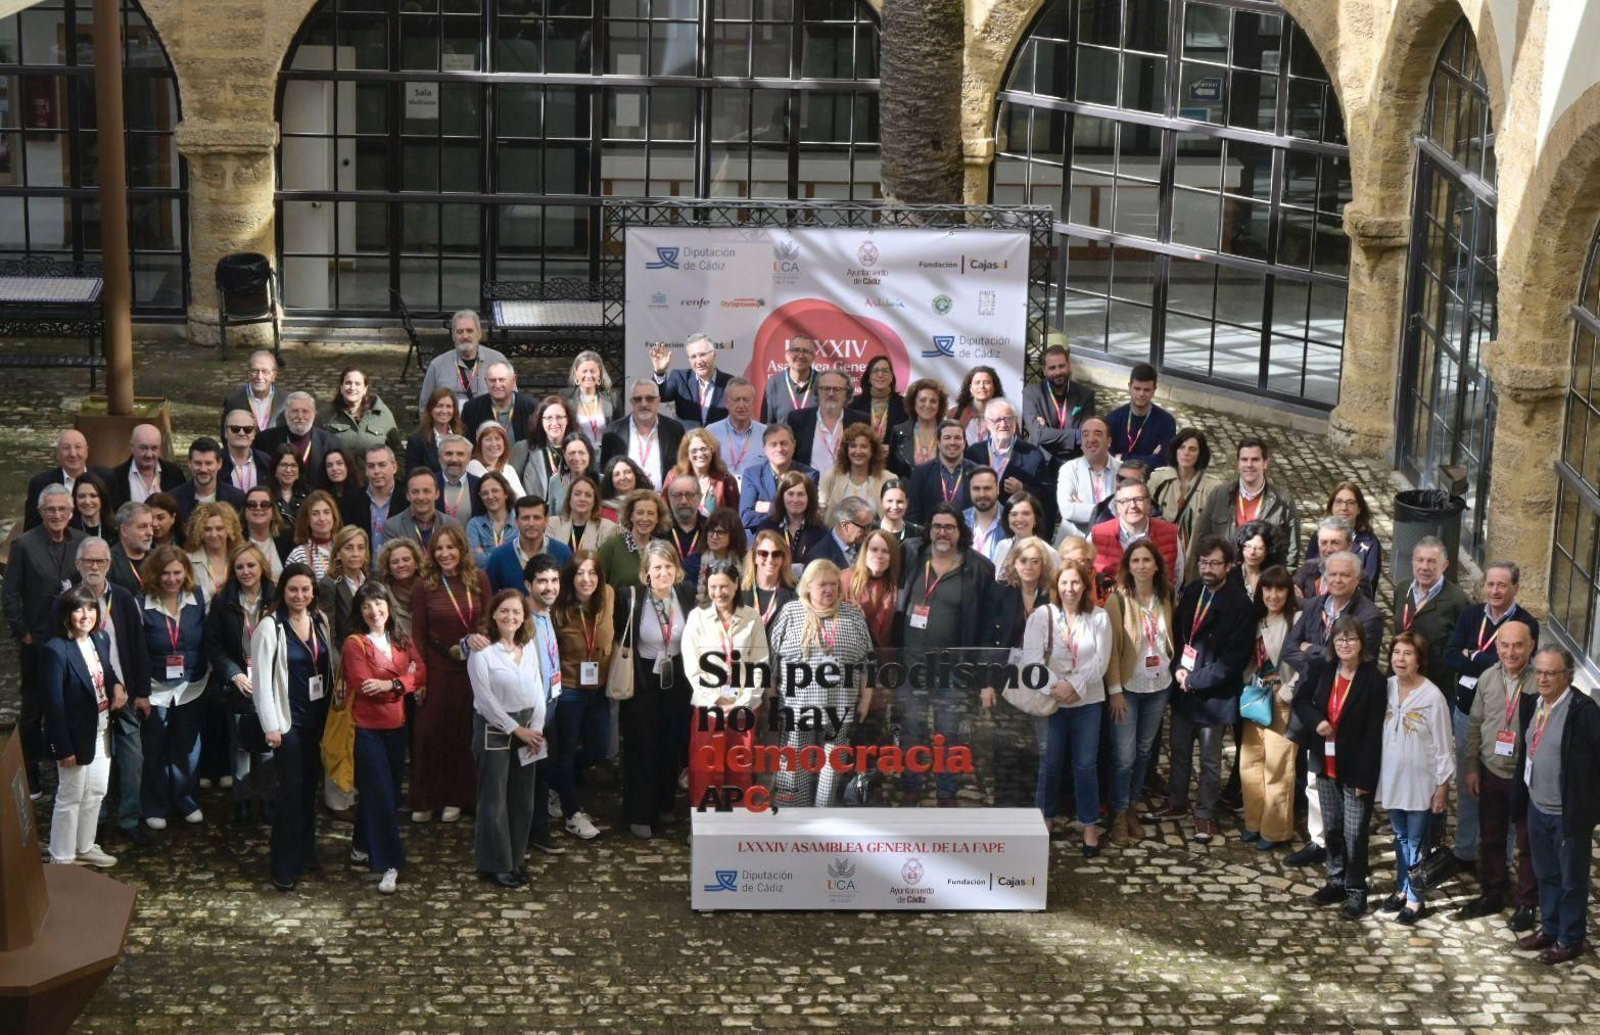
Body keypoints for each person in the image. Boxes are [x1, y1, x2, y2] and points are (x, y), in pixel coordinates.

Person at [1281, 549, 1386, 865]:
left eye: (1345, 575)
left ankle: (1348, 860)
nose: (1337, 580)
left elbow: (1359, 659)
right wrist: (1324, 654)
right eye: (1332, 574)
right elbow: (1288, 650)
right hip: (1314, 707)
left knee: (1344, 784)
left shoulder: (1369, 616)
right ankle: (1319, 840)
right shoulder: (1313, 606)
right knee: (1316, 779)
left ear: (1357, 579)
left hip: (1348, 710)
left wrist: (1311, 652)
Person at [896, 503, 999, 805]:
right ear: (928, 530)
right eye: (937, 526)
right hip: (911, 666)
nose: (942, 532)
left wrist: (983, 672)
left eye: (949, 527)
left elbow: (986, 625)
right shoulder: (912, 556)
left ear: (960, 531)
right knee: (912, 731)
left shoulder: (978, 567)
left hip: (952, 669)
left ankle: (946, 792)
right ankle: (913, 786)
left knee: (949, 734)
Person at [1442, 561, 1541, 874]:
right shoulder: (1472, 615)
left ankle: (1502, 856)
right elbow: (1450, 656)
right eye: (1490, 585)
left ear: (1515, 589)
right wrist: (1484, 659)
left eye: (1502, 585)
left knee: (1506, 790)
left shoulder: (1527, 623)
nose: (1495, 591)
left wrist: (1474, 656)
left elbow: (1515, 665)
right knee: (1469, 782)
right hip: (1467, 709)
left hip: (1505, 717)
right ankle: (1465, 850)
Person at [1156, 535, 1253, 843]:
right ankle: (1177, 802)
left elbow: (1234, 660)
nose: (1208, 568)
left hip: (1214, 695)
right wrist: (1178, 671)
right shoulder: (1195, 590)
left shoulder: (1240, 605)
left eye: (1214, 563)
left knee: (1210, 761)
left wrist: (1193, 679)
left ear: (1229, 566)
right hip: (1184, 690)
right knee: (1179, 752)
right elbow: (1178, 635)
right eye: (1203, 562)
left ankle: (1205, 813)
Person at [1293, 615, 1387, 920]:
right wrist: (1317, 722)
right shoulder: (1322, 668)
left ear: (1362, 644)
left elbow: (1374, 734)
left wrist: (1366, 778)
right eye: (1340, 639)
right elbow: (1301, 700)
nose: (1345, 644)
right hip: (1325, 763)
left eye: (1352, 639)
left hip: (1356, 767)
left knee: (1355, 834)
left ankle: (1356, 889)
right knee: (1332, 828)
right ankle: (1335, 880)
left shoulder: (1373, 680)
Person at [1511, 647, 1600, 965]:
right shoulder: (1534, 703)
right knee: (1545, 873)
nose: (1544, 678)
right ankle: (1549, 928)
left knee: (1570, 879)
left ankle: (1570, 937)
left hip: (1567, 814)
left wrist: (1589, 809)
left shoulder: (1583, 711)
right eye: (1539, 672)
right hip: (1537, 806)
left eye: (1551, 673)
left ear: (1567, 676)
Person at [252, 562, 337, 891]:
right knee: (290, 791)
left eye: (305, 589)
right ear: (282, 591)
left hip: (317, 719)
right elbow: (261, 682)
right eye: (293, 590)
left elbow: (326, 664)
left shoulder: (320, 621)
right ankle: (283, 864)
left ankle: (306, 850)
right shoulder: (270, 627)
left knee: (308, 788)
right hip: (287, 723)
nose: (299, 596)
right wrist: (271, 726)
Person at [767, 560, 873, 808]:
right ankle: (797, 820)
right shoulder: (790, 612)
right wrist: (771, 701)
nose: (829, 590)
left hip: (840, 707)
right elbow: (770, 662)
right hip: (797, 708)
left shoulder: (853, 615)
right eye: (822, 584)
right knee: (795, 765)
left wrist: (866, 699)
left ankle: (822, 818)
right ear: (808, 586)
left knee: (831, 767)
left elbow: (869, 664)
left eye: (834, 585)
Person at [1023, 557, 1111, 854]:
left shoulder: (1099, 617)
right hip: (1051, 703)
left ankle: (1088, 826)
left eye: (1076, 582)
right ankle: (1044, 820)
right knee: (1049, 764)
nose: (1070, 588)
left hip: (1088, 703)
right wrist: (1055, 687)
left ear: (1086, 585)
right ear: (1056, 586)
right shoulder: (1041, 617)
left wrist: (1074, 685)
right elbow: (1031, 660)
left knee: (1085, 765)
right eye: (1064, 583)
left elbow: (1100, 660)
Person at [4, 484, 88, 793]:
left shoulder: (82, 542)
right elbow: (10, 594)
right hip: (36, 641)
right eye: (50, 510)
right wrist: (23, 632)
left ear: (71, 512)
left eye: (62, 509)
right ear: (40, 513)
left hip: (74, 638)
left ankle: (68, 766)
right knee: (33, 710)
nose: (56, 515)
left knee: (71, 703)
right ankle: (31, 772)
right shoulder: (24, 544)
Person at [1456, 619, 1540, 927]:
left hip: (1526, 777)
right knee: (1490, 836)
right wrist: (1471, 768)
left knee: (1527, 842)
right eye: (1504, 645)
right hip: (1491, 770)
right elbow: (1475, 724)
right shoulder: (1489, 677)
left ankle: (1527, 902)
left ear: (1531, 646)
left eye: (1518, 645)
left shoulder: (1540, 682)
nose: (1511, 651)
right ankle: (1493, 891)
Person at [342, 582, 424, 895]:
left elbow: (422, 673)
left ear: (388, 605)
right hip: (367, 729)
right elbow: (364, 685)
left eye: (378, 604)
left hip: (397, 726)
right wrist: (405, 681)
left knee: (383, 790)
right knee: (383, 796)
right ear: (359, 612)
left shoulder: (401, 638)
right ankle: (389, 861)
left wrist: (392, 685)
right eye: (366, 606)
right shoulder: (355, 644)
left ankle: (360, 844)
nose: (374, 611)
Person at [68, 537, 149, 846]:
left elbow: (138, 646)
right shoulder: (67, 600)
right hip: (87, 696)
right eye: (88, 561)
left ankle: (129, 819)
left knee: (133, 758)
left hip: (125, 692)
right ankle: (96, 821)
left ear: (109, 564)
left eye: (100, 561)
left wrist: (141, 692)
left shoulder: (124, 597)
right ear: (78, 564)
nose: (94, 567)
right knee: (94, 762)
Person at [467, 588, 549, 887]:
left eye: (516, 612)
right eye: (504, 611)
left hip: (529, 728)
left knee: (522, 800)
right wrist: (517, 730)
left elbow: (539, 688)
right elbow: (486, 701)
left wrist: (536, 727)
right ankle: (496, 863)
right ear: (493, 614)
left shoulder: (527, 648)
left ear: (524, 617)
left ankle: (515, 859)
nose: (510, 617)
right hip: (495, 730)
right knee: (494, 800)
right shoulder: (482, 653)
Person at [615, 540, 697, 837]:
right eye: (657, 567)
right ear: (646, 572)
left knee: (671, 744)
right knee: (642, 745)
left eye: (668, 566)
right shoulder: (631, 597)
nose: (663, 573)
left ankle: (664, 806)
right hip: (643, 678)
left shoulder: (686, 594)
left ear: (677, 569)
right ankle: (639, 812)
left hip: (677, 677)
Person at [410, 524, 491, 824]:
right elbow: (418, 634)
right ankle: (426, 797)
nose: (445, 554)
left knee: (462, 733)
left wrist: (476, 640)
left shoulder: (478, 578)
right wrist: (419, 677)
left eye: (450, 547)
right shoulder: (424, 584)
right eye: (439, 548)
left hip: (471, 670)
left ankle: (457, 797)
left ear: (461, 549)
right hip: (436, 666)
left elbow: (487, 622)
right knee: (429, 734)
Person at [41, 585, 125, 867]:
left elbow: (108, 672)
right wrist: (62, 747)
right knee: (71, 795)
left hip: (101, 728)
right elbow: (52, 705)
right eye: (78, 609)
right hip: (74, 735)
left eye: (90, 608)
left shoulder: (99, 639)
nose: (85, 615)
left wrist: (117, 686)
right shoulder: (56, 650)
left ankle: (84, 846)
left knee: (97, 790)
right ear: (66, 615)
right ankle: (61, 857)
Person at [1104, 539, 1178, 845]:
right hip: (1128, 689)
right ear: (1128, 566)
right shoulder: (1118, 600)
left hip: (1158, 685)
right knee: (1124, 756)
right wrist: (1115, 690)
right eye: (1135, 561)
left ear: (1157, 565)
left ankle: (1132, 805)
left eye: (1147, 560)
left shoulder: (1167, 596)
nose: (1142, 566)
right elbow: (1110, 651)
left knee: (1145, 752)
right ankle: (1119, 812)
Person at [1378, 632, 1455, 924]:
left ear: (1419, 659)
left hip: (1421, 782)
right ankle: (1401, 887)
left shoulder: (1432, 697)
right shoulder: (1385, 688)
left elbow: (1444, 746)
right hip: (1393, 778)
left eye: (1408, 653)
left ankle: (1415, 897)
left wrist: (1442, 786)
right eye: (1397, 652)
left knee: (1415, 840)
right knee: (1400, 837)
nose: (1401, 659)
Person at [683, 558, 771, 807]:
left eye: (724, 586)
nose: (718, 593)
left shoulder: (752, 618)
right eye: (713, 587)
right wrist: (717, 699)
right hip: (708, 707)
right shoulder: (697, 618)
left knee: (739, 768)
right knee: (705, 768)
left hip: (742, 707)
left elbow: (760, 662)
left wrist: (743, 700)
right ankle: (704, 826)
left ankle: (736, 825)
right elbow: (692, 667)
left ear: (735, 585)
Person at [136, 543, 209, 829]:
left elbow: (206, 639)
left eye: (177, 572)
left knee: (188, 747)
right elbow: (137, 649)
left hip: (191, 685)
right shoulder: (141, 602)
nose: (172, 579)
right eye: (165, 573)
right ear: (155, 574)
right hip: (155, 687)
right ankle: (155, 804)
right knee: (154, 747)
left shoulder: (197, 598)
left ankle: (185, 798)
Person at [202, 542, 275, 821]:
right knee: (241, 745)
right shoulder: (224, 601)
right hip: (239, 683)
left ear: (262, 567)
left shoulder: (276, 597)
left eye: (251, 565)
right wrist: (234, 674)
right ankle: (242, 800)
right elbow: (214, 643)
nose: (246, 571)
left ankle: (268, 799)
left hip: (269, 680)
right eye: (240, 567)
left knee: (269, 742)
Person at [1233, 564, 1299, 852]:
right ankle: (1253, 822)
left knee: (1278, 767)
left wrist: (1288, 691)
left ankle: (1276, 829)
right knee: (1250, 763)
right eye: (1268, 589)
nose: (1273, 595)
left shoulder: (1297, 620)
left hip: (1282, 700)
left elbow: (1307, 665)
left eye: (1280, 589)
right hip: (1256, 697)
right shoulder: (1256, 620)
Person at [550, 551, 615, 838]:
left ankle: (555, 780)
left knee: (599, 749)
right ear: (570, 577)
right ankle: (572, 813)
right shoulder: (558, 607)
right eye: (579, 573)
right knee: (564, 751)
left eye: (592, 573)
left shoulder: (609, 597)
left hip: (599, 687)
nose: (586, 579)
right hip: (569, 689)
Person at [988, 535, 1053, 808]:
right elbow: (988, 638)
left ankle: (1037, 804)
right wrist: (987, 683)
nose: (1028, 566)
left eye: (1034, 561)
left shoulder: (1052, 596)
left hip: (1041, 680)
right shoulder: (1001, 592)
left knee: (1041, 748)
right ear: (1014, 564)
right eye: (1023, 561)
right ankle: (1005, 803)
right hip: (1007, 678)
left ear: (1042, 565)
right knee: (1005, 743)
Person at [1189, 436, 1301, 570]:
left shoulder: (1283, 501)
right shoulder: (1218, 495)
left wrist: (1280, 582)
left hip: (1264, 580)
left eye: (1255, 459)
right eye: (1244, 459)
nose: (1249, 465)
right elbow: (1203, 540)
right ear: (1238, 463)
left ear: (1265, 463)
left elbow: (1292, 552)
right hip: (1225, 578)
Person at [1391, 536, 1471, 712]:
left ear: (1445, 565)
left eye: (1432, 561)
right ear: (1412, 562)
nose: (1424, 567)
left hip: (1436, 688)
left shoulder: (1457, 601)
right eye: (1420, 560)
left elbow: (1463, 649)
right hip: (1400, 681)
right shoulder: (1403, 589)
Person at [967, 399, 1051, 536]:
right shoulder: (974, 453)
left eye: (1008, 419)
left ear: (1015, 421)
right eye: (997, 420)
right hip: (979, 526)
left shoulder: (1032, 454)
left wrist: (1023, 489)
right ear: (987, 424)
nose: (1003, 424)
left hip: (1015, 529)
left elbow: (1047, 495)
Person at [1091, 480, 1183, 585]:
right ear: (1117, 507)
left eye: (1138, 499)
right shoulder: (1097, 535)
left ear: (1148, 503)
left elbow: (1178, 576)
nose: (1132, 505)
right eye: (1125, 501)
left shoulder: (1170, 532)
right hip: (1110, 600)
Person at [416, 309, 508, 413]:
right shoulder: (437, 365)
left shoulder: (498, 361)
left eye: (469, 331)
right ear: (453, 336)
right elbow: (425, 406)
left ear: (479, 334)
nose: (464, 336)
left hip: (487, 426)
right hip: (450, 427)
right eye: (460, 332)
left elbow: (512, 401)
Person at [601, 379, 685, 491]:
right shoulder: (613, 431)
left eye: (650, 398)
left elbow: (682, 468)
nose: (644, 403)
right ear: (631, 401)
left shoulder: (674, 430)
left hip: (663, 502)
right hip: (625, 502)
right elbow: (606, 472)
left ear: (658, 400)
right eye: (638, 399)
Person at [25, 428, 113, 530]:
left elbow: (115, 517)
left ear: (86, 451)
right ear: (57, 454)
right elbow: (31, 528)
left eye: (78, 447)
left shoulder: (106, 477)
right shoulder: (40, 483)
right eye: (66, 448)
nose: (73, 454)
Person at [1021, 343, 1095, 463]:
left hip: (1074, 461)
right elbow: (1038, 434)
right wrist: (1075, 435)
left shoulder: (1086, 395)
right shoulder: (1031, 394)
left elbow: (1085, 435)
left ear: (1069, 366)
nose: (1058, 372)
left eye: (1061, 366)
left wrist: (1048, 434)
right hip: (1042, 462)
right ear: (1044, 370)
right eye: (1052, 368)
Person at [1148, 427, 1222, 547]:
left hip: (1194, 553)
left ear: (1200, 454)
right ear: (1175, 450)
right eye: (1182, 447)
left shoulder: (1212, 487)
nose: (1186, 453)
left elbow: (1215, 529)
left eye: (1192, 449)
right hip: (1160, 548)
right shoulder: (1158, 478)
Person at [738, 423, 818, 533]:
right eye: (773, 444)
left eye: (784, 443)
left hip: (797, 541)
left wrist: (769, 507)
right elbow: (746, 518)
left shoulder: (809, 475)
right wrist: (789, 513)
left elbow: (808, 515)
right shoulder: (752, 475)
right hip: (761, 542)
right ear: (765, 449)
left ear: (794, 445)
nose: (779, 449)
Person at [318, 365, 404, 467]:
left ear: (365, 389)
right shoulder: (326, 415)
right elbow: (315, 450)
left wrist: (398, 478)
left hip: (375, 480)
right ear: (341, 387)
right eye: (348, 383)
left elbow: (398, 451)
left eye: (357, 384)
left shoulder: (382, 414)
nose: (352, 388)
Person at [257, 393, 341, 493]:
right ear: (286, 414)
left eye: (305, 411)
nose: (300, 416)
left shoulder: (331, 443)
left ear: (314, 414)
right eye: (295, 411)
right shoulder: (265, 440)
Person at [1307, 481, 1383, 589]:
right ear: (1331, 507)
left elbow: (1369, 583)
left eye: (1350, 502)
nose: (1344, 507)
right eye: (1338, 502)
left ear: (1359, 509)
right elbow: (1308, 573)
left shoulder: (1370, 544)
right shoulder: (1319, 536)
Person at [649, 333, 733, 429]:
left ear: (714, 354)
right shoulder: (680, 378)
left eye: (702, 355)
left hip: (718, 443)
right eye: (693, 357)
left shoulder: (730, 383)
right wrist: (659, 373)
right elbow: (660, 396)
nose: (699, 361)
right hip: (687, 442)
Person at [1104, 363, 1177, 468]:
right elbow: (1107, 458)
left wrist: (1122, 457)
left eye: (1147, 390)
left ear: (1154, 391)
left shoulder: (1166, 422)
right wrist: (1150, 457)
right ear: (1129, 387)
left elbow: (1163, 460)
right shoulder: (1112, 419)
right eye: (1137, 389)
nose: (1141, 394)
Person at [905, 419, 976, 527]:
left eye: (957, 438)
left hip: (968, 539)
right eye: (947, 438)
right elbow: (912, 515)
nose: (952, 442)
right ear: (938, 443)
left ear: (965, 443)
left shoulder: (976, 472)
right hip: (931, 539)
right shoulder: (921, 473)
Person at [1056, 416, 1118, 538]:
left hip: (1112, 542)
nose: (1091, 439)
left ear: (1109, 441)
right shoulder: (1069, 469)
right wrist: (1110, 512)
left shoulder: (1123, 470)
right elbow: (1067, 510)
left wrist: (1082, 509)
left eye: (1098, 434)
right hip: (1076, 544)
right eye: (1085, 434)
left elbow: (1128, 511)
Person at [756, 470, 828, 575]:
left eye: (801, 494)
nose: (795, 500)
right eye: (790, 494)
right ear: (782, 497)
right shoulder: (766, 528)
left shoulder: (821, 532)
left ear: (809, 498)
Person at [509, 395, 575, 503]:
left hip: (567, 517)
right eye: (549, 418)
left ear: (567, 420)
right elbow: (509, 487)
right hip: (533, 516)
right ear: (541, 420)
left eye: (559, 417)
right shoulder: (524, 448)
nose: (554, 423)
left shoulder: (577, 449)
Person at [843, 528, 901, 649]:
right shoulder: (844, 579)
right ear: (865, 552)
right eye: (874, 550)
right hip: (851, 654)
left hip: (882, 658)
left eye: (886, 551)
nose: (879, 556)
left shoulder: (894, 584)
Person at [171, 437, 245, 531]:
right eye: (198, 463)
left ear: (219, 464)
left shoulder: (236, 498)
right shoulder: (174, 498)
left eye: (208, 463)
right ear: (189, 463)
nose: (203, 469)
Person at [1293, 517, 1372, 602]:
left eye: (1335, 543)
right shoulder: (1308, 567)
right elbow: (1289, 594)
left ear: (1349, 545)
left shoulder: (1358, 578)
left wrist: (1302, 603)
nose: (1328, 549)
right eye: (1323, 543)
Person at [787, 368, 853, 471]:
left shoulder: (860, 421)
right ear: (817, 392)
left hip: (848, 486)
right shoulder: (798, 420)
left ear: (846, 394)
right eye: (826, 388)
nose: (831, 394)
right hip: (809, 485)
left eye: (837, 389)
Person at [704, 377, 765, 487]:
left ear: (753, 403)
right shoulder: (711, 432)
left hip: (754, 497)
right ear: (726, 403)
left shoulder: (766, 434)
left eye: (746, 400)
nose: (741, 405)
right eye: (736, 400)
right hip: (721, 496)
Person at [597, 488, 663, 590]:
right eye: (640, 513)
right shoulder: (611, 547)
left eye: (650, 513)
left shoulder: (663, 549)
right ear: (631, 516)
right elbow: (597, 585)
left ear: (657, 518)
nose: (645, 518)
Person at [342, 445, 402, 555]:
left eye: (382, 465)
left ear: (394, 467)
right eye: (371, 466)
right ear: (366, 470)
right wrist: (339, 572)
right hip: (361, 570)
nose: (376, 471)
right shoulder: (351, 500)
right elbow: (340, 544)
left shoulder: (407, 498)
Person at [460, 360, 538, 444]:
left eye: (502, 380)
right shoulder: (472, 408)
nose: (497, 385)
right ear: (486, 381)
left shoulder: (532, 407)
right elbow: (466, 444)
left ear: (513, 380)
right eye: (492, 380)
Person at [109, 423, 184, 509]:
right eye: (143, 448)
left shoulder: (174, 473)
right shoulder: (115, 477)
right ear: (132, 447)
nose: (149, 455)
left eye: (154, 448)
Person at [384, 467, 462, 549]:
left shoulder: (453, 525)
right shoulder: (392, 527)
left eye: (426, 491)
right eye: (415, 492)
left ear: (437, 494)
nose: (421, 497)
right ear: (407, 495)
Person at [317, 526, 371, 642]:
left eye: (361, 548)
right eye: (349, 548)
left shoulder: (372, 580)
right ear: (337, 553)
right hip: (346, 651)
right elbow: (328, 632)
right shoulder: (329, 584)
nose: (355, 554)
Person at [887, 378, 949, 477]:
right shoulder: (898, 432)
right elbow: (891, 471)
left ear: (940, 405)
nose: (927, 405)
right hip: (906, 491)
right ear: (913, 403)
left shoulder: (950, 431)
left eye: (933, 401)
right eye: (922, 400)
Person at [671, 428, 739, 516]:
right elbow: (664, 510)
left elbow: (735, 516)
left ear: (712, 450)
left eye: (704, 449)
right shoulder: (674, 477)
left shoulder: (726, 480)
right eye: (694, 450)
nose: (700, 454)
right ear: (687, 454)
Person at [741, 529, 797, 634]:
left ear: (783, 559)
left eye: (776, 554)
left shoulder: (794, 594)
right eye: (763, 553)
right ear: (754, 558)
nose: (770, 559)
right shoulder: (738, 591)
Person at [185, 501, 242, 605]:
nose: (213, 534)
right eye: (207, 529)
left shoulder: (241, 557)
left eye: (219, 528)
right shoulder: (187, 561)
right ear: (199, 532)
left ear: (229, 530)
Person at [548, 472, 620, 554]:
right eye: (577, 494)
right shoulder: (552, 524)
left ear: (594, 502)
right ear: (569, 500)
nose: (582, 499)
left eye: (588, 495)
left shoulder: (608, 528)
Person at [220, 349, 286, 437]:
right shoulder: (233, 401)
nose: (259, 376)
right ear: (248, 374)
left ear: (274, 376)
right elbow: (226, 436)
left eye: (265, 372)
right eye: (254, 371)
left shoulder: (286, 400)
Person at [661, 474, 711, 588]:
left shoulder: (712, 530)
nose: (684, 501)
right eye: (678, 495)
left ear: (700, 497)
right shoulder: (657, 530)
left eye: (689, 495)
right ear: (669, 498)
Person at [759, 333, 820, 425]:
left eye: (806, 351)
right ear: (787, 355)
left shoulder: (823, 382)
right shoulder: (774, 383)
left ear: (813, 357)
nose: (800, 356)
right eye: (796, 350)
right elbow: (766, 425)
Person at [694, 508, 747, 606]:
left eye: (720, 532)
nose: (714, 536)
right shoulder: (693, 563)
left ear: (733, 535)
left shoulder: (746, 563)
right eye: (711, 531)